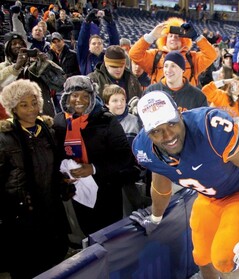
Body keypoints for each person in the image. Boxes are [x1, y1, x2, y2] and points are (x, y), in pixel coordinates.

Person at [130, 90, 239, 279]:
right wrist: (155, 218)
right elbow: (161, 183)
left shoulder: (210, 129)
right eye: (156, 130)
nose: (168, 135)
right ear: (147, 133)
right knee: (201, 257)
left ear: (180, 113)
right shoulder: (144, 149)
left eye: (172, 123)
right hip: (209, 197)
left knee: (225, 258)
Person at [0, 79, 70, 279]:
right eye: (23, 105)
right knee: (28, 264)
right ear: (13, 108)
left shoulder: (48, 131)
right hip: (22, 213)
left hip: (51, 206)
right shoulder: (5, 138)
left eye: (34, 102)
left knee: (54, 258)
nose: (31, 109)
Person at [53, 75, 137, 236]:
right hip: (78, 190)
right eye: (74, 95)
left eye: (85, 96)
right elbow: (57, 155)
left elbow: (125, 156)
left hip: (107, 189)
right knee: (89, 231)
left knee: (111, 232)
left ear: (92, 97)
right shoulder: (59, 122)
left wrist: (93, 168)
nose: (80, 100)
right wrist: (63, 175)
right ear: (66, 97)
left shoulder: (106, 120)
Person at [102, 84, 151, 216]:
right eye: (115, 100)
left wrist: (138, 169)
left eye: (122, 100)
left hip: (132, 178)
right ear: (107, 104)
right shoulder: (102, 124)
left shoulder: (135, 121)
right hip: (110, 178)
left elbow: (143, 149)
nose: (120, 104)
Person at [128, 17, 217, 87]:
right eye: (170, 36)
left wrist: (197, 37)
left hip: (186, 104)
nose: (173, 38)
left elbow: (211, 55)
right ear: (164, 39)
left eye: (177, 36)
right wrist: (151, 36)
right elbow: (134, 54)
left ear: (184, 40)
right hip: (161, 104)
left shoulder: (192, 58)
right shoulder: (155, 56)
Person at [0, 31, 58, 117]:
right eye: (14, 44)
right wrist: (16, 67)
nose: (18, 46)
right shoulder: (2, 67)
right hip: (14, 118)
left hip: (42, 115)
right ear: (7, 47)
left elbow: (59, 83)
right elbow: (2, 83)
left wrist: (46, 64)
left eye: (21, 43)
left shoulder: (35, 65)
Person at [77, 8, 120, 75]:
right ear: (89, 47)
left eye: (99, 43)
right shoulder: (84, 58)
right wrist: (87, 22)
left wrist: (110, 23)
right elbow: (82, 42)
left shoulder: (107, 57)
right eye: (94, 44)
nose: (97, 45)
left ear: (103, 46)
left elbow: (114, 46)